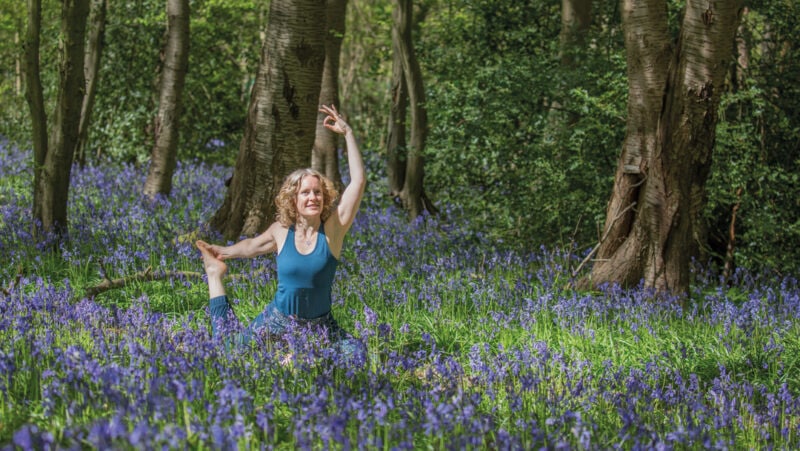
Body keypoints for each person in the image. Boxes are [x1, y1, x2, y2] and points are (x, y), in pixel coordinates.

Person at [195, 104, 366, 360]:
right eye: (305, 192)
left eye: (317, 192)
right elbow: (252, 246)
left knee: (358, 355)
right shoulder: (281, 231)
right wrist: (223, 252)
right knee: (229, 352)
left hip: (320, 326)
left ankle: (297, 355)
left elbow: (359, 181)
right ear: (293, 199)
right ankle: (213, 276)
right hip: (278, 321)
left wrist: (348, 134)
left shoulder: (333, 229)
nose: (313, 197)